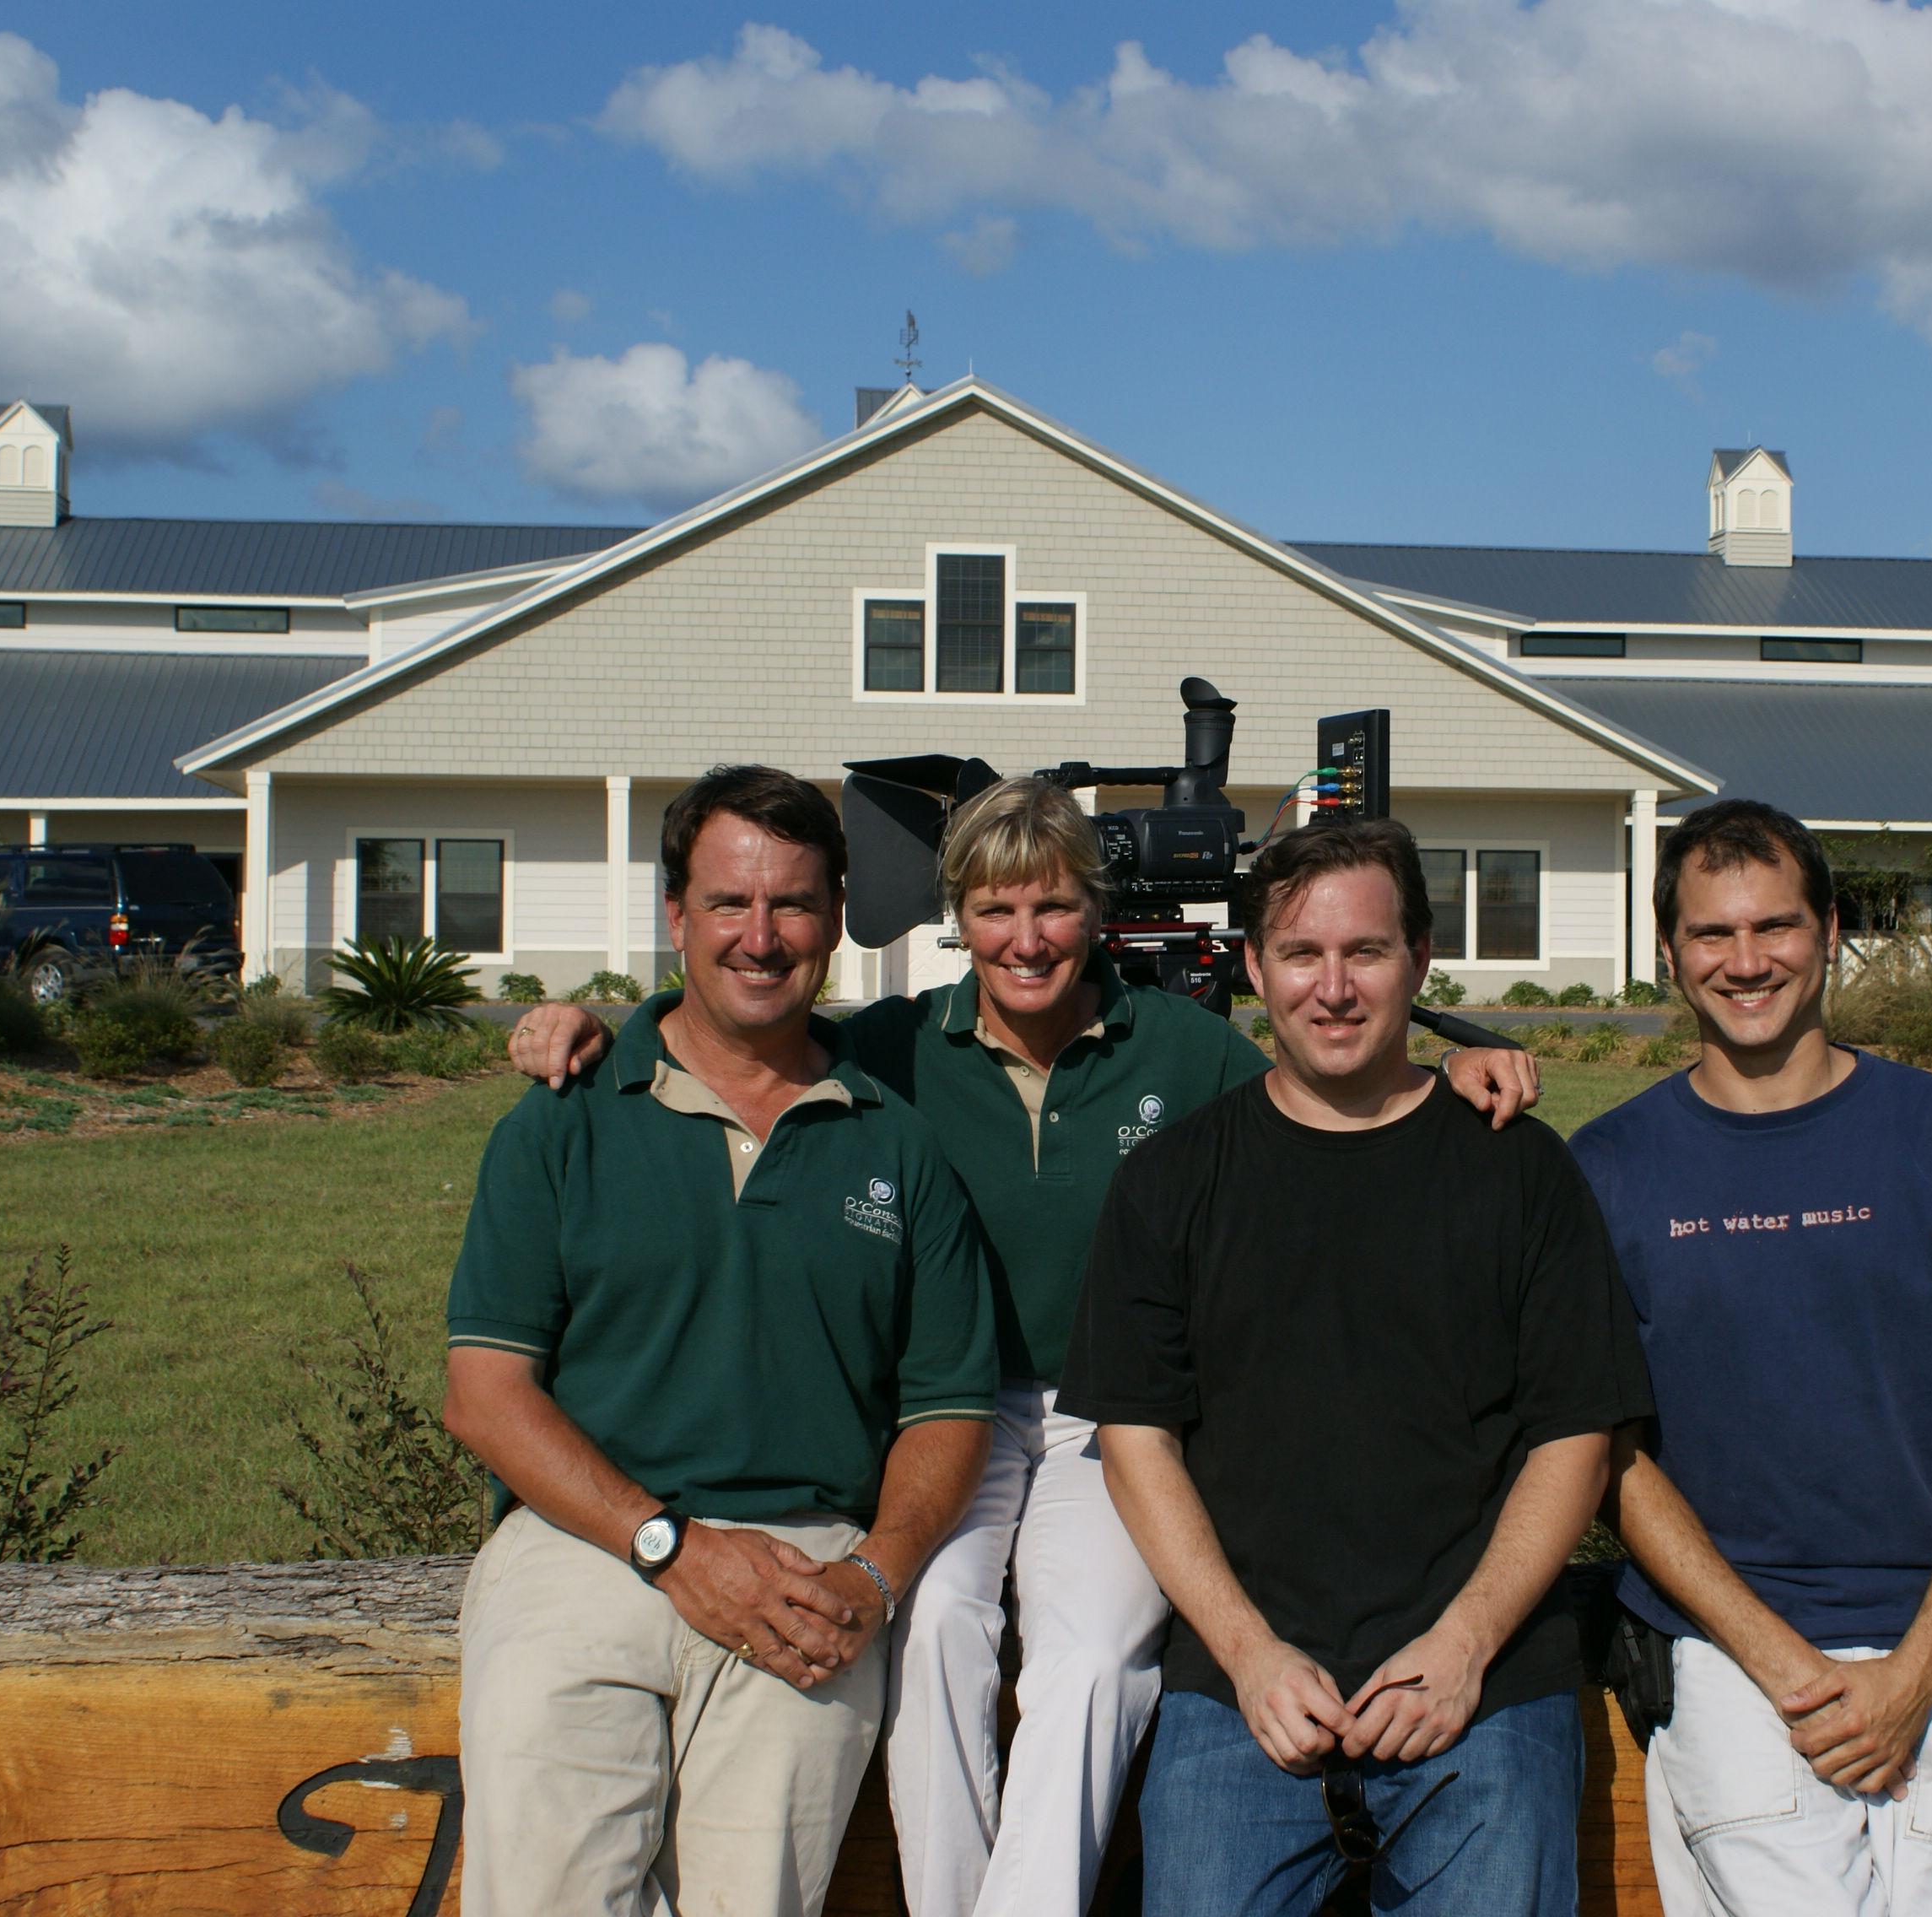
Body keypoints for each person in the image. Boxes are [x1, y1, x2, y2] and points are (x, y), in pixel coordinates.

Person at [506, 776, 1541, 1917]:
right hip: (945, 1414)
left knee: (1091, 1655)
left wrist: (1449, 1073)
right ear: (959, 919)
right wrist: (589, 1029)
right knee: (937, 1625)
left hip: (1118, 1416)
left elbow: (1329, 1087)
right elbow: (747, 1027)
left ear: (1093, 912)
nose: (1026, 939)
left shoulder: (1182, 1050)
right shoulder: (898, 1049)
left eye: (1052, 906)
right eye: (995, 911)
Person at [1060, 818, 1654, 1917]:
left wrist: (1465, 1645)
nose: (1333, 989)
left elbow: (1577, 1431)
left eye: (1366, 953)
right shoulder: (1175, 1182)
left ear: (1420, 962)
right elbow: (1136, 1439)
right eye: (1300, 954)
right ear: (1253, 968)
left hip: (1482, 1679)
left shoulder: (1516, 1170)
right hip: (1247, 1684)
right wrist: (1248, 1656)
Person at [441, 765, 999, 1917]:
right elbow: (486, 1395)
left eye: (792, 903)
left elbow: (946, 1407)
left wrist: (874, 1578)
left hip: (809, 1562)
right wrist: (670, 1547)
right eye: (730, 903)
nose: (762, 935)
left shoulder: (896, 1140)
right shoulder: (566, 1117)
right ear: (676, 917)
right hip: (584, 1547)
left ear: (837, 920)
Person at [1568, 798, 1932, 1917]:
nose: (1746, 962)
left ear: (1831, 931)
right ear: (1669, 952)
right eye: (1712, 934)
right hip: (1723, 1648)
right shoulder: (1607, 1169)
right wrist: (1779, 1662)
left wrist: (1923, 1667)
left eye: (1776, 927)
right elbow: (1610, 1453)